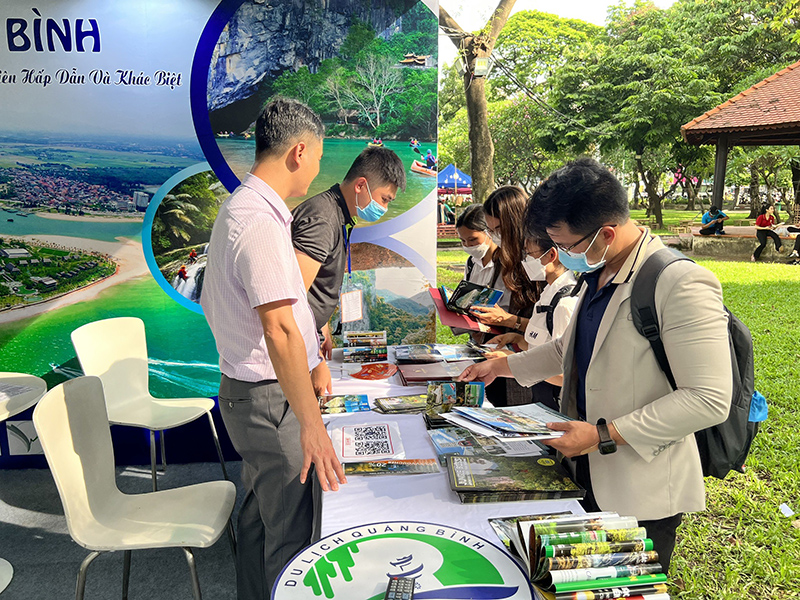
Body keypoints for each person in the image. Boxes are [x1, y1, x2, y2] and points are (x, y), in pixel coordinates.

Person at [459, 158, 732, 573]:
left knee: (618, 586)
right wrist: (503, 367)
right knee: (571, 582)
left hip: (641, 487)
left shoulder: (679, 283)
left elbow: (709, 398)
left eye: (568, 246)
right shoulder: (598, 272)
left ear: (606, 233)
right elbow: (565, 352)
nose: (564, 256)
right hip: (581, 467)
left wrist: (604, 434)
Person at [200, 98, 346, 600]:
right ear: (299, 151)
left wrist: (315, 359)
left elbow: (288, 314)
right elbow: (278, 329)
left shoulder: (253, 211)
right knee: (290, 537)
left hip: (259, 392)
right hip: (267, 399)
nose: (317, 171)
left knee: (263, 518)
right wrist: (311, 424)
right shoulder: (258, 223)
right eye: (319, 158)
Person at [292, 146, 405, 362]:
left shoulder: (337, 215)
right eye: (384, 199)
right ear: (361, 185)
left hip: (309, 334)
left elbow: (313, 284)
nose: (384, 208)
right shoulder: (323, 220)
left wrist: (322, 326)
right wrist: (312, 355)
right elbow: (291, 298)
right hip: (295, 346)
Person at [482, 235, 578, 411]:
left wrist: (513, 360)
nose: (525, 261)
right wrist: (518, 340)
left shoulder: (565, 303)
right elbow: (542, 347)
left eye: (529, 254)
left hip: (557, 404)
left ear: (551, 255)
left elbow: (564, 374)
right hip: (541, 398)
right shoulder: (548, 294)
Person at [472, 186, 542, 407]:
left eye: (499, 229)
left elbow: (550, 333)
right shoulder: (502, 257)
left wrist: (509, 320)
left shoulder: (539, 263)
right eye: (491, 230)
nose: (495, 236)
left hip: (527, 369)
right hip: (497, 353)